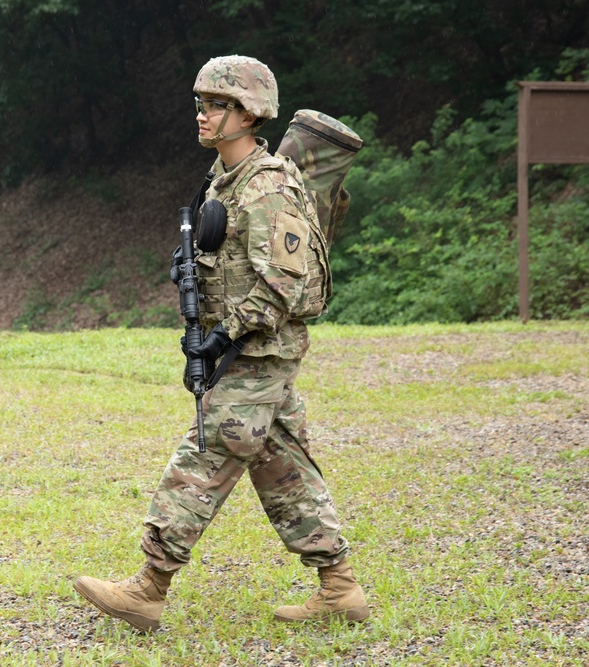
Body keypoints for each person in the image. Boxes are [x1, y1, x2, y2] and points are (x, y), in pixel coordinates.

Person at [72, 55, 369, 632]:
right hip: (247, 352)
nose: (203, 116)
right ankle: (339, 586)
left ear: (249, 113)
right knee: (283, 464)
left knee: (203, 457)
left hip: (257, 353)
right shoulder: (224, 180)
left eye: (216, 105)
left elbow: (288, 281)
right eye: (202, 105)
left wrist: (224, 335)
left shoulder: (267, 188)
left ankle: (147, 589)